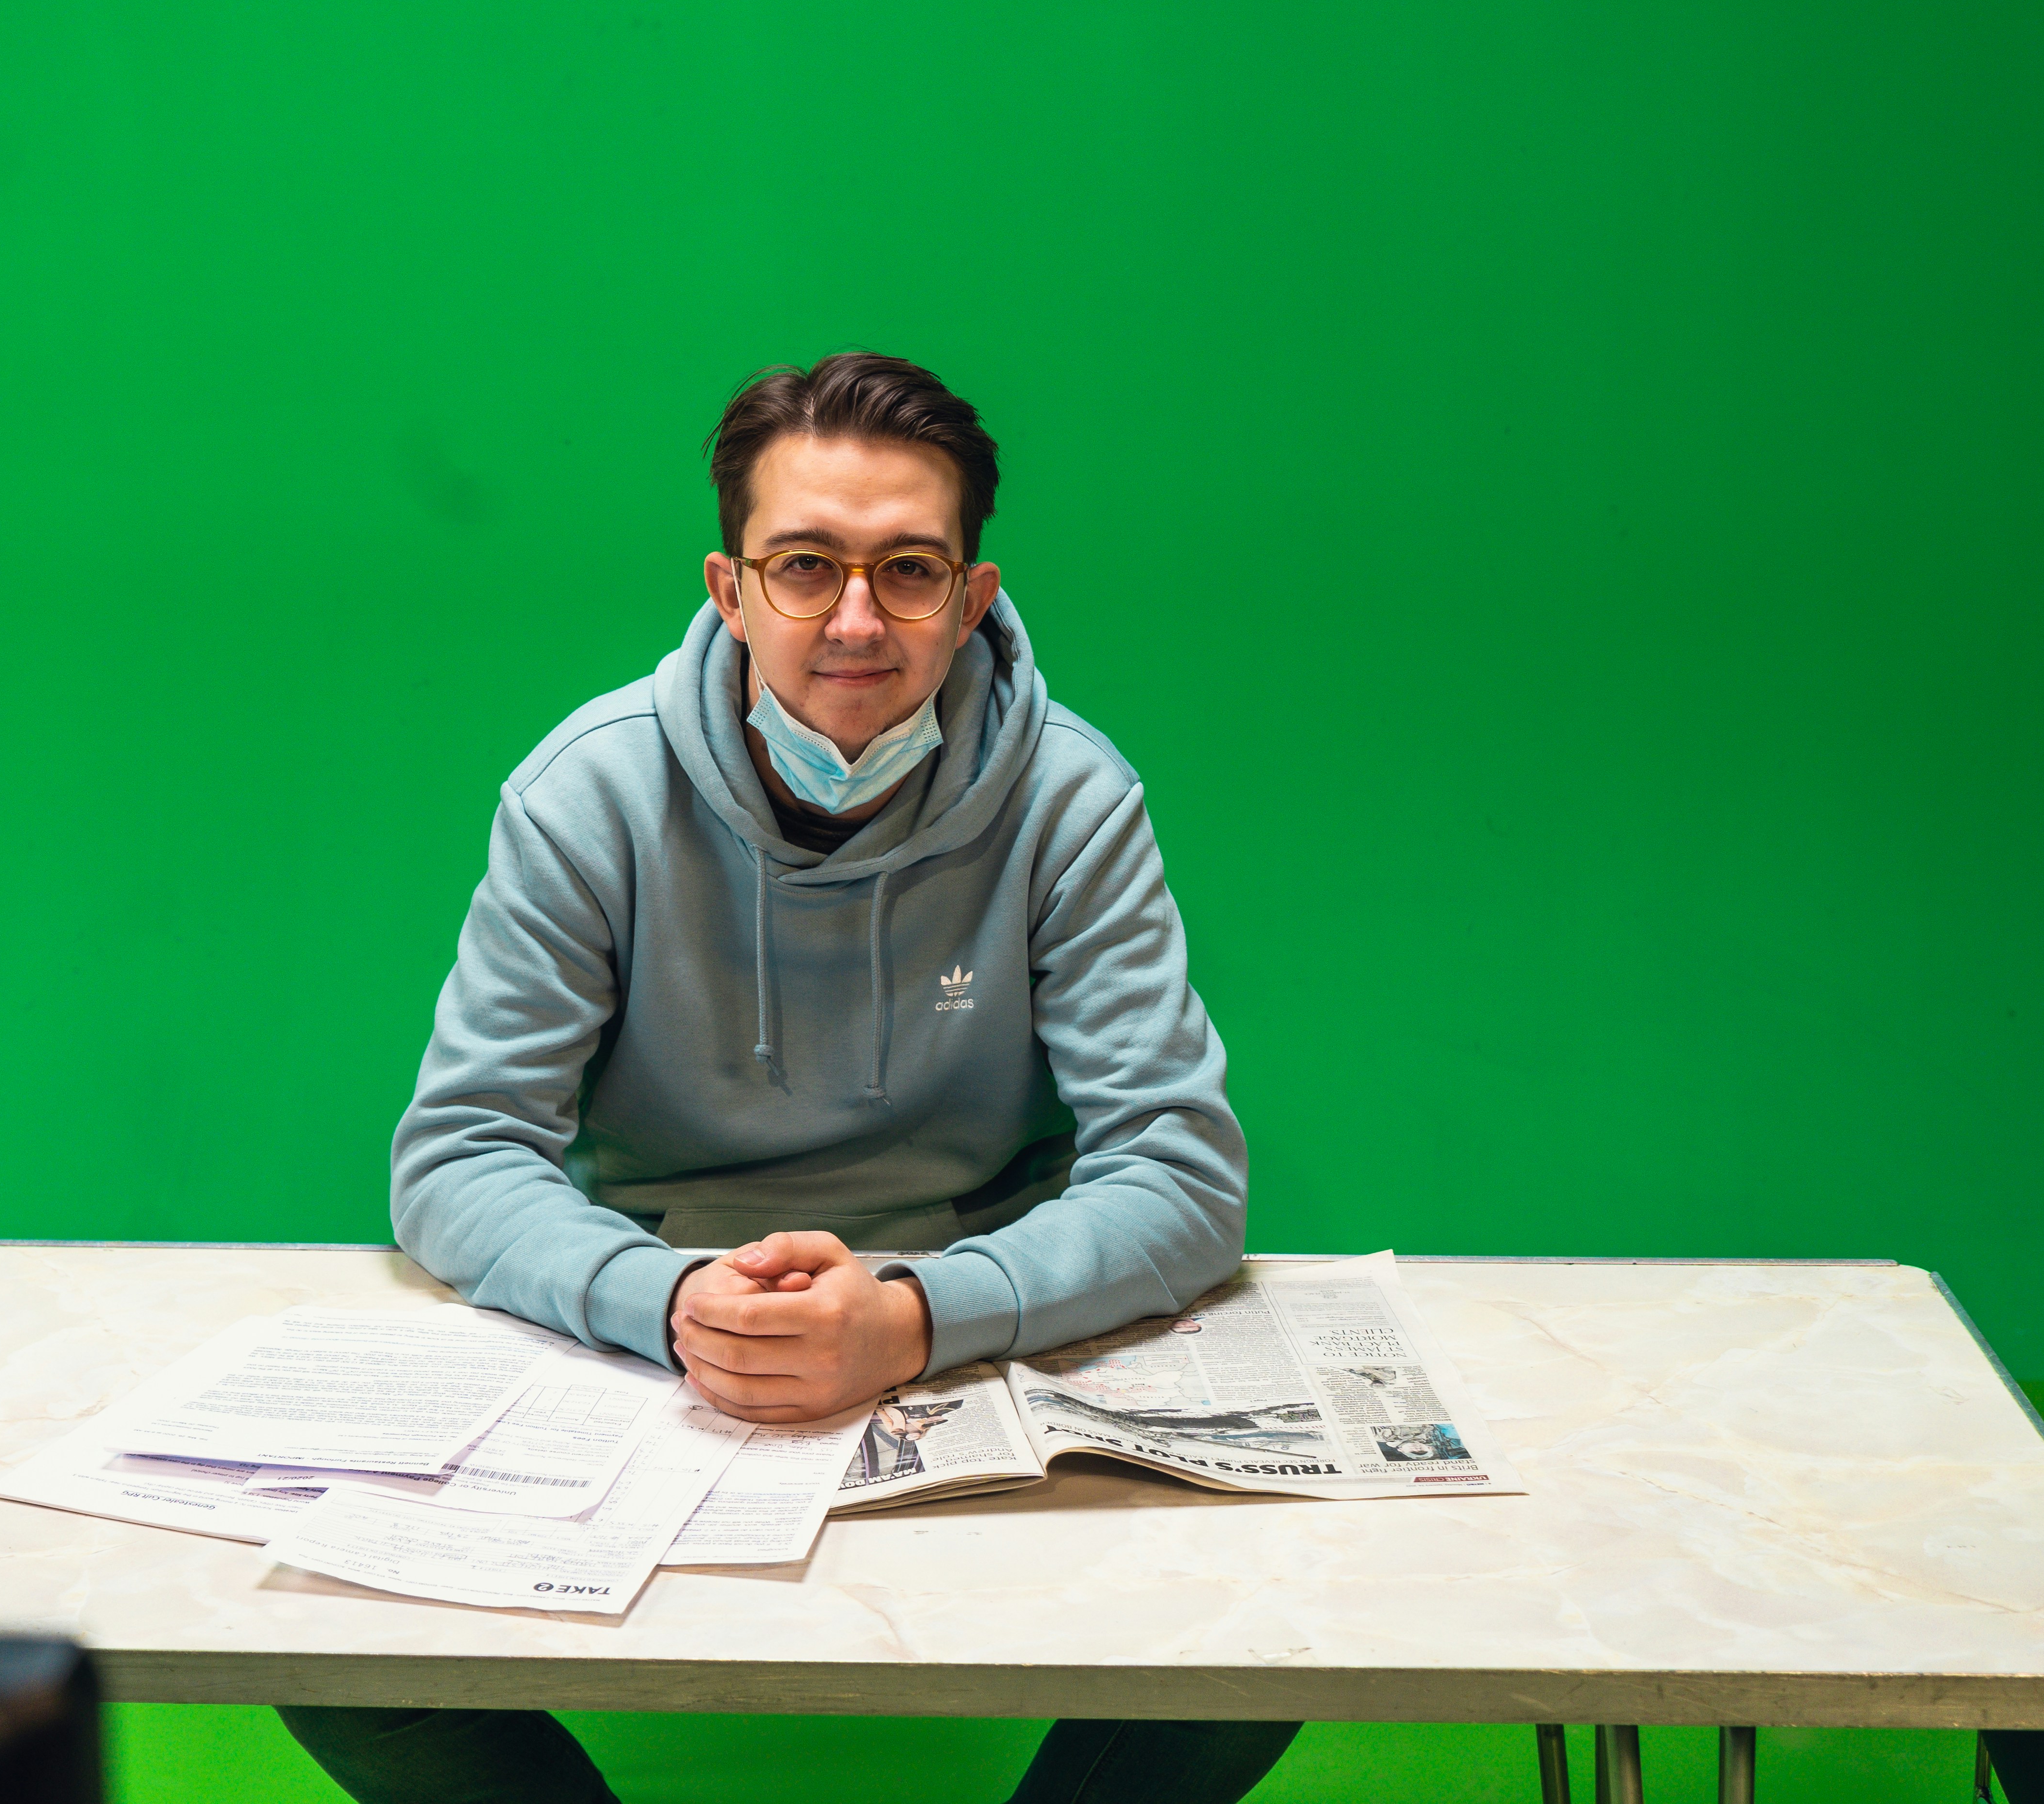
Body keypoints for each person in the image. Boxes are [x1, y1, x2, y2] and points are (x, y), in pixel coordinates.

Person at [279, 354, 1296, 1804]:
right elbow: (458, 1156)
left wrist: (907, 1319)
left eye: (911, 570)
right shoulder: (589, 793)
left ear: (978, 596)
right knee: (322, 1640)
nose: (859, 620)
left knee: (1289, 1623)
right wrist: (674, 1302)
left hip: (976, 1329)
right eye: (806, 566)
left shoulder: (1074, 799)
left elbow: (1183, 1177)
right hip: (658, 1330)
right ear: (729, 587)